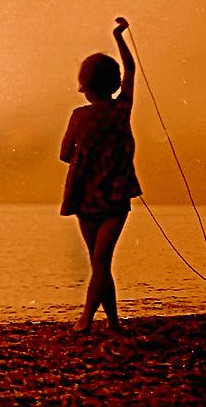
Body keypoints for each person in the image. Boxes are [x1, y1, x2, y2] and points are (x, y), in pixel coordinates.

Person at [60, 17, 141, 334]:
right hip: (115, 195)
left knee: (100, 260)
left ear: (84, 85)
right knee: (100, 262)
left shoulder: (79, 116)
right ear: (114, 83)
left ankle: (85, 320)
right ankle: (113, 322)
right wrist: (119, 38)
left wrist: (84, 155)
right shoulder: (121, 108)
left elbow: (64, 154)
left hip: (86, 196)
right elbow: (131, 70)